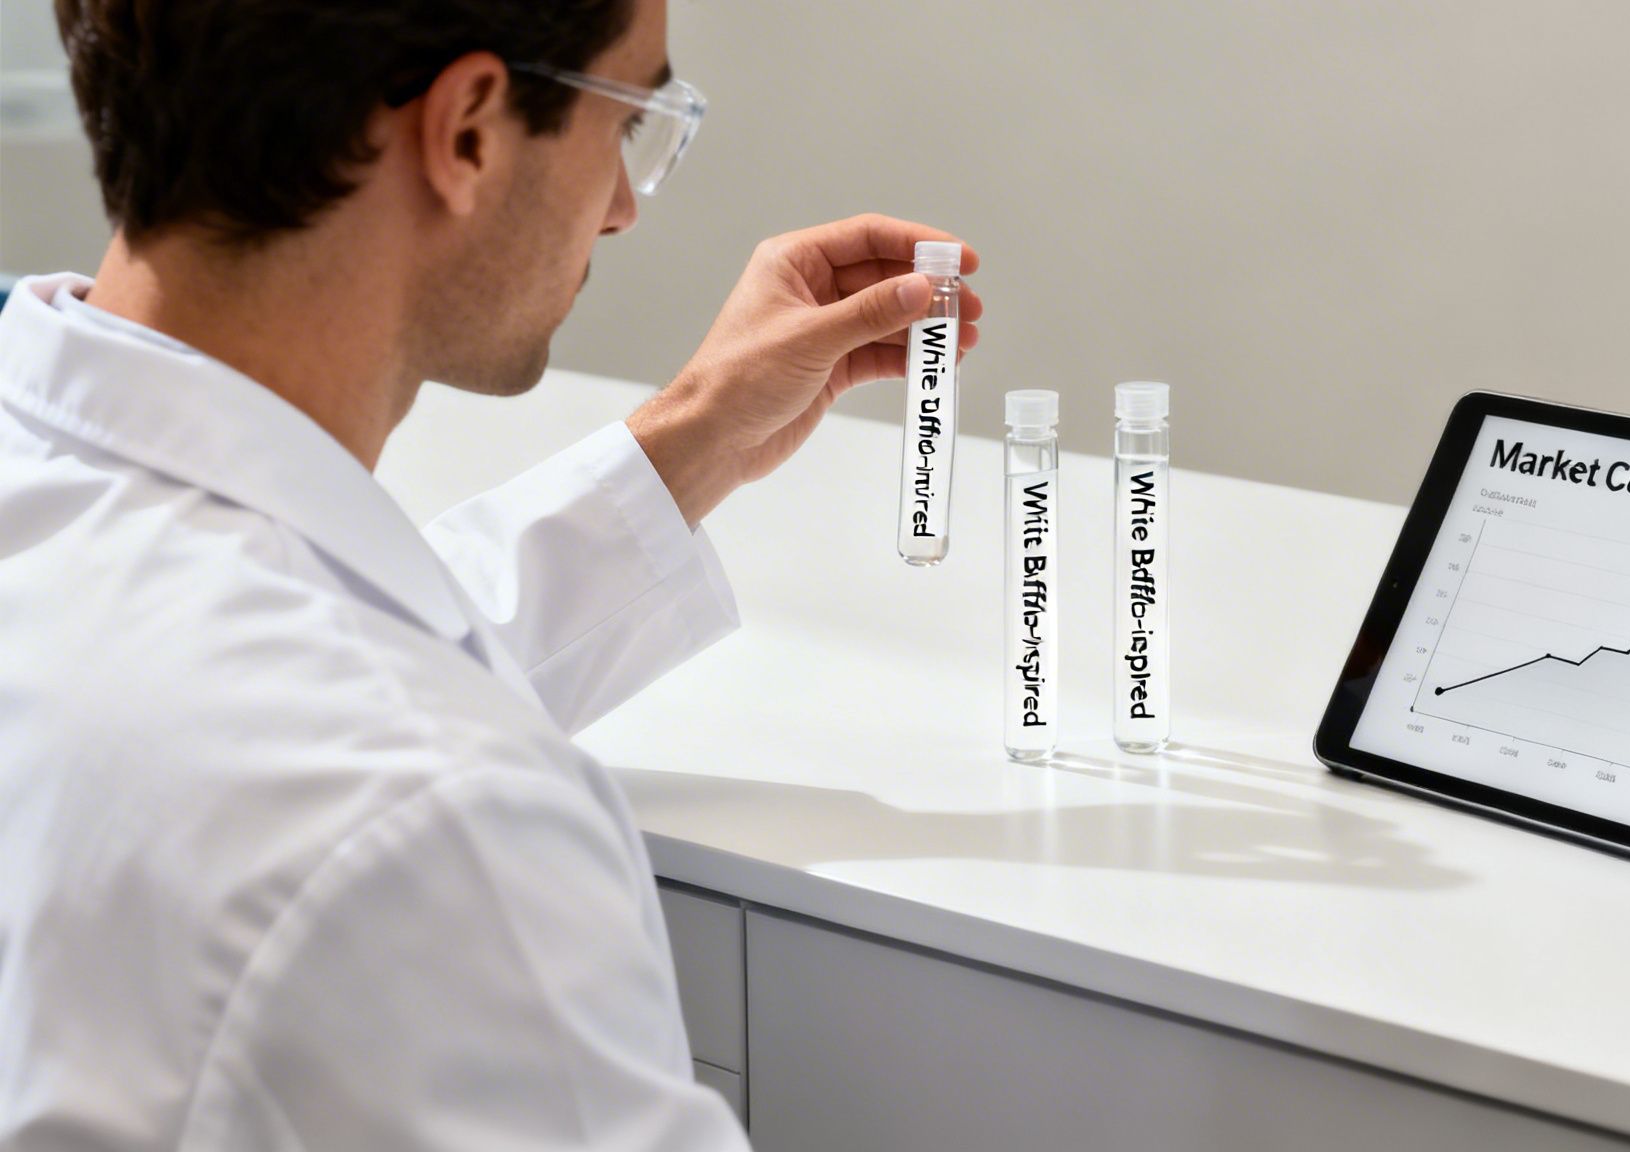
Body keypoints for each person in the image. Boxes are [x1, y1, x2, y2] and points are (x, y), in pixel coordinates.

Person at [0, 0, 981, 1146]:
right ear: (467, 129)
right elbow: (358, 745)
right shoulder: (448, 845)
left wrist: (695, 433)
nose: (619, 207)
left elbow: (242, 648)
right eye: (627, 120)